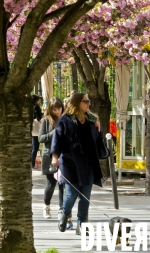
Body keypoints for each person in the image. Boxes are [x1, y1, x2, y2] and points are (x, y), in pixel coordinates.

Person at [51, 92, 103, 235]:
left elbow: (97, 140)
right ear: (77, 103)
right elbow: (57, 139)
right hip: (70, 163)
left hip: (88, 163)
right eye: (86, 101)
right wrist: (55, 157)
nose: (89, 103)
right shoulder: (65, 120)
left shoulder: (90, 120)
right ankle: (64, 214)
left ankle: (82, 224)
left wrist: (98, 128)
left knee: (85, 195)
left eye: (89, 101)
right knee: (72, 194)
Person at [38, 97, 65, 219]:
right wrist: (53, 133)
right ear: (50, 109)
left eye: (59, 108)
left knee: (62, 184)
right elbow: (41, 138)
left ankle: (62, 209)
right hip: (49, 155)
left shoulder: (65, 119)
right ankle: (46, 206)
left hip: (64, 155)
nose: (57, 111)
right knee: (51, 184)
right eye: (54, 109)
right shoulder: (46, 120)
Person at [31, 94, 43, 169]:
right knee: (35, 147)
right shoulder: (36, 106)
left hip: (31, 128)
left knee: (32, 147)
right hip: (36, 128)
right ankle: (32, 164)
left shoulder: (29, 106)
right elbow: (39, 117)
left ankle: (31, 163)